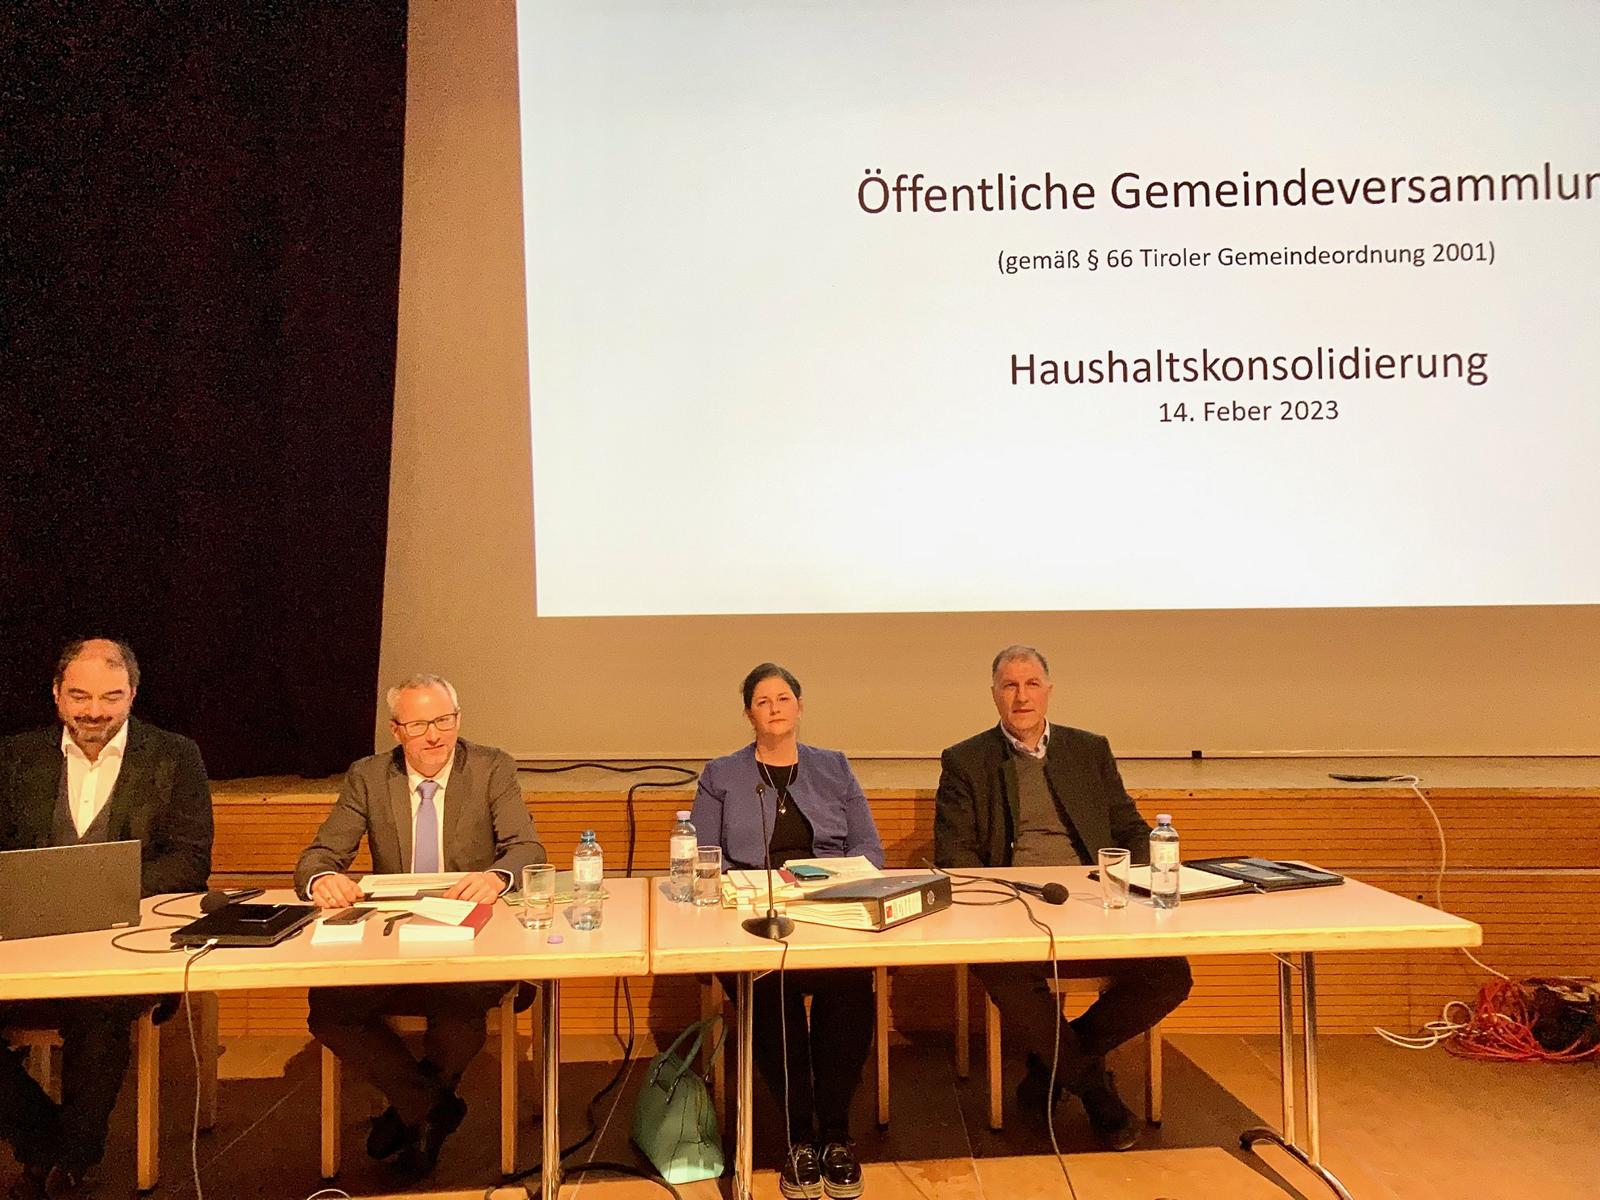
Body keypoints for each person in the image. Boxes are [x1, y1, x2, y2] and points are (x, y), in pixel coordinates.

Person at [933, 645, 1192, 1151]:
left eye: (1031, 684)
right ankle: (1096, 1092)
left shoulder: (1089, 750)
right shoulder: (965, 760)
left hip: (1096, 902)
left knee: (1169, 975)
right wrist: (1003, 897)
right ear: (994, 695)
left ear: (1048, 691)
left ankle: (1049, 1069)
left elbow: (1129, 828)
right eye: (1009, 686)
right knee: (1003, 971)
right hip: (1013, 908)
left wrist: (1133, 879)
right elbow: (955, 853)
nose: (1021, 696)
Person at [294, 673, 544, 1180]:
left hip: (470, 936)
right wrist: (323, 879)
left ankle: (415, 1117)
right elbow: (319, 855)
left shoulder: (490, 767)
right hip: (393, 938)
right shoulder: (369, 776)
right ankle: (429, 1106)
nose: (434, 736)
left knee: (458, 1007)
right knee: (330, 1010)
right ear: (396, 730)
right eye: (419, 725)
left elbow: (526, 848)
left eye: (444, 721)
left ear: (458, 720)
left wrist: (496, 877)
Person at [0, 638, 214, 1199]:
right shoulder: (15, 758)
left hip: (123, 946)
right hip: (25, 944)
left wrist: (101, 890)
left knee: (97, 1008)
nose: (94, 711)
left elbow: (190, 862)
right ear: (56, 694)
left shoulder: (174, 756)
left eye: (110, 697)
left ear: (132, 695)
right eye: (80, 696)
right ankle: (48, 1143)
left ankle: (71, 1163)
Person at [692, 663, 883, 1200]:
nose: (774, 708)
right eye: (762, 701)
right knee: (770, 992)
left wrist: (826, 882)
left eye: (783, 698)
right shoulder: (721, 774)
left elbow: (869, 849)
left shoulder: (834, 767)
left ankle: (837, 1134)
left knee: (850, 987)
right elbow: (705, 857)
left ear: (800, 706)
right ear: (748, 714)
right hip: (753, 923)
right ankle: (799, 1138)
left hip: (829, 916)